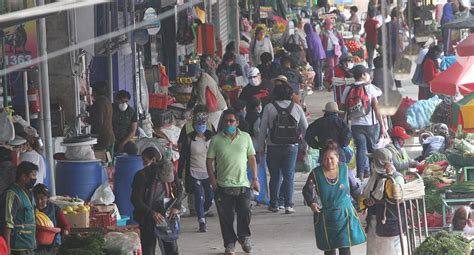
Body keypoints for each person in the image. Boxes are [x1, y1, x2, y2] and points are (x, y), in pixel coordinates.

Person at [206, 109, 259, 255]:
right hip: (222, 186)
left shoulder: (245, 137)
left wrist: (255, 179)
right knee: (226, 217)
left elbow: (252, 158)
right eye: (226, 121)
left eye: (231, 121)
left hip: (243, 184)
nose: (228, 124)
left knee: (245, 212)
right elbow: (209, 161)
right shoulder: (216, 140)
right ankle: (230, 243)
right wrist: (213, 180)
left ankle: (244, 237)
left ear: (237, 123)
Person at [302, 141, 366, 255]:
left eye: (332, 158)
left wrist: (363, 203)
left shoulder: (346, 171)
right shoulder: (316, 173)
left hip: (345, 215)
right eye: (325, 158)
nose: (329, 161)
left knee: (345, 247)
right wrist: (312, 203)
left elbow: (355, 190)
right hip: (325, 216)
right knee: (329, 249)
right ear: (321, 159)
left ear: (338, 158)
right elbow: (307, 190)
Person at [258, 84, 308, 213]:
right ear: (290, 95)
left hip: (273, 146)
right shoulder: (296, 108)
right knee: (289, 175)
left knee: (275, 176)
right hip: (291, 147)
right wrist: (305, 146)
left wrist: (260, 147)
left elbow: (263, 128)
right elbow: (305, 128)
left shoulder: (269, 108)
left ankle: (274, 204)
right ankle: (288, 205)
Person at [131, 147, 184, 255]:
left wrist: (176, 206)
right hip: (148, 213)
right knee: (148, 248)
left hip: (166, 212)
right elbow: (135, 199)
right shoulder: (142, 176)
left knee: (171, 248)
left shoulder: (171, 169)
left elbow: (180, 189)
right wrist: (151, 213)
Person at [341, 65, 388, 180]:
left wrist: (342, 125)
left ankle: (361, 174)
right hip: (371, 125)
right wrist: (383, 126)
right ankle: (374, 173)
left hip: (355, 125)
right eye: (367, 74)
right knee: (373, 150)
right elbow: (377, 109)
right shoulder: (369, 88)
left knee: (361, 149)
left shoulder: (348, 89)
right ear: (363, 75)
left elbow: (342, 108)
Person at [177, 105, 216, 232]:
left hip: (208, 172)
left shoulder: (211, 133)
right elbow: (182, 152)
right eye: (199, 123)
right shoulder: (188, 133)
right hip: (193, 171)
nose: (201, 125)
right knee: (198, 196)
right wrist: (180, 172)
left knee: (209, 197)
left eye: (203, 122)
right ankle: (201, 220)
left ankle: (202, 211)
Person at [363, 148, 406, 255]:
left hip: (390, 226)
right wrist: (367, 201)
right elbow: (368, 195)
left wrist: (390, 175)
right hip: (375, 224)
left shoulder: (396, 178)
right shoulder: (375, 177)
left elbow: (396, 197)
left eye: (373, 161)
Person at [0, 162, 38, 255]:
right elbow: (7, 223)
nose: (35, 179)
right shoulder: (12, 194)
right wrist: (7, 249)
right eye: (32, 176)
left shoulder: (30, 194)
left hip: (29, 245)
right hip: (17, 247)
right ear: (23, 176)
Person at [32, 184, 70, 251]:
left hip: (53, 242)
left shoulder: (54, 208)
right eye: (36, 198)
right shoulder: (31, 209)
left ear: (47, 198)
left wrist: (65, 232)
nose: (39, 201)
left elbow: (65, 225)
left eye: (42, 198)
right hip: (35, 243)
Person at [190, 63, 228, 129]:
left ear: (197, 74)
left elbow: (202, 103)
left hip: (217, 109)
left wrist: (193, 112)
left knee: (210, 130)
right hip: (220, 106)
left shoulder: (202, 83)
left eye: (192, 76)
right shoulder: (205, 75)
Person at [87, 81, 115, 162]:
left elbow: (99, 121)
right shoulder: (107, 101)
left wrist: (86, 119)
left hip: (103, 140)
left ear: (95, 92)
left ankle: (107, 172)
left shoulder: (98, 103)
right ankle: (110, 172)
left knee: (104, 161)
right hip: (110, 138)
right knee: (109, 160)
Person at [321, 18, 345, 88]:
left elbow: (341, 39)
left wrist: (342, 46)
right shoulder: (323, 32)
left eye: (330, 24)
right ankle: (331, 81)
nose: (329, 25)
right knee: (331, 67)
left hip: (336, 50)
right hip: (328, 51)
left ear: (332, 25)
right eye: (327, 24)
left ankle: (337, 80)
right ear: (325, 25)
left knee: (336, 66)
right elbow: (320, 41)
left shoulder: (336, 31)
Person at [304, 23, 326, 90]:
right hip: (322, 54)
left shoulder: (308, 36)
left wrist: (309, 55)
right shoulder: (315, 34)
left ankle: (318, 86)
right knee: (319, 70)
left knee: (316, 70)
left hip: (316, 54)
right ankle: (320, 85)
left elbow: (310, 47)